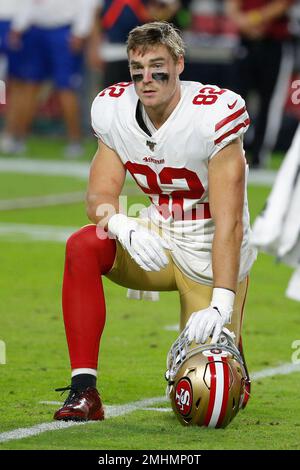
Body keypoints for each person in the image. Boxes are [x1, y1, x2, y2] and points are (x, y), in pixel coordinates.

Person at [54, 21, 257, 421]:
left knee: (209, 397)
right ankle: (83, 391)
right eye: (138, 70)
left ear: (180, 63)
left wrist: (221, 303)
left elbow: (229, 223)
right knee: (84, 244)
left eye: (157, 68)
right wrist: (121, 224)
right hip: (157, 235)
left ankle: (230, 356)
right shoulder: (115, 110)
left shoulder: (213, 114)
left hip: (208, 248)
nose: (146, 79)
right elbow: (99, 196)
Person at [0, 0, 98, 158]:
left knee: (66, 87)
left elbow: (87, 4)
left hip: (63, 29)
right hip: (35, 29)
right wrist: (19, 26)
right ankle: (19, 138)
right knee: (29, 85)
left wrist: (80, 31)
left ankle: (75, 141)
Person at [226, 0, 295, 168]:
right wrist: (242, 21)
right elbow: (232, 5)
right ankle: (232, 151)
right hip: (245, 41)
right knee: (236, 100)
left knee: (270, 102)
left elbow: (282, 4)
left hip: (273, 41)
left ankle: (259, 155)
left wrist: (254, 19)